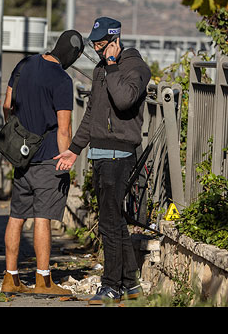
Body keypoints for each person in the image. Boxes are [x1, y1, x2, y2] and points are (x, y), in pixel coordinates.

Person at [54, 16, 151, 305]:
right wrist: (74, 149)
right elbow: (93, 115)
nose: (97, 49)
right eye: (94, 45)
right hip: (99, 153)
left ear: (115, 40)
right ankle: (131, 285)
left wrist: (111, 66)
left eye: (101, 44)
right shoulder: (99, 70)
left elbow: (123, 101)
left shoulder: (136, 67)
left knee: (109, 223)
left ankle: (111, 286)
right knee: (113, 220)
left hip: (119, 154)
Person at [0, 30, 84, 296]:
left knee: (16, 216)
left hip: (21, 157)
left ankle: (10, 278)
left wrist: (15, 133)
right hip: (48, 157)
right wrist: (65, 159)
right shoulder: (62, 79)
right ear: (72, 55)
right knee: (42, 218)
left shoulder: (24, 65)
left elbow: (6, 104)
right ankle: (43, 280)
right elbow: (64, 128)